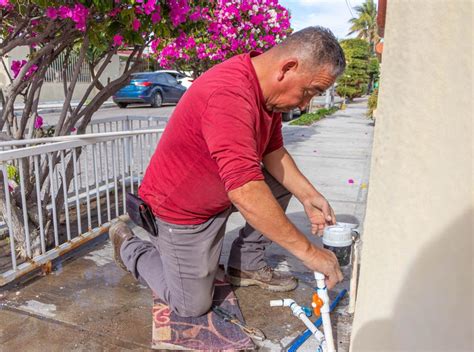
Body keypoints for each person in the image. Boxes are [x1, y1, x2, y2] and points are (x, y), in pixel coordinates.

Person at [109, 26, 346, 318]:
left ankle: (245, 262)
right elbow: (245, 190)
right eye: (310, 91)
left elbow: (274, 153)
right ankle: (130, 247)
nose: (305, 103)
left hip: (217, 196)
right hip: (180, 214)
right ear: (288, 68)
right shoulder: (229, 94)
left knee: (282, 185)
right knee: (191, 305)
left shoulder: (267, 97)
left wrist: (310, 196)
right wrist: (310, 253)